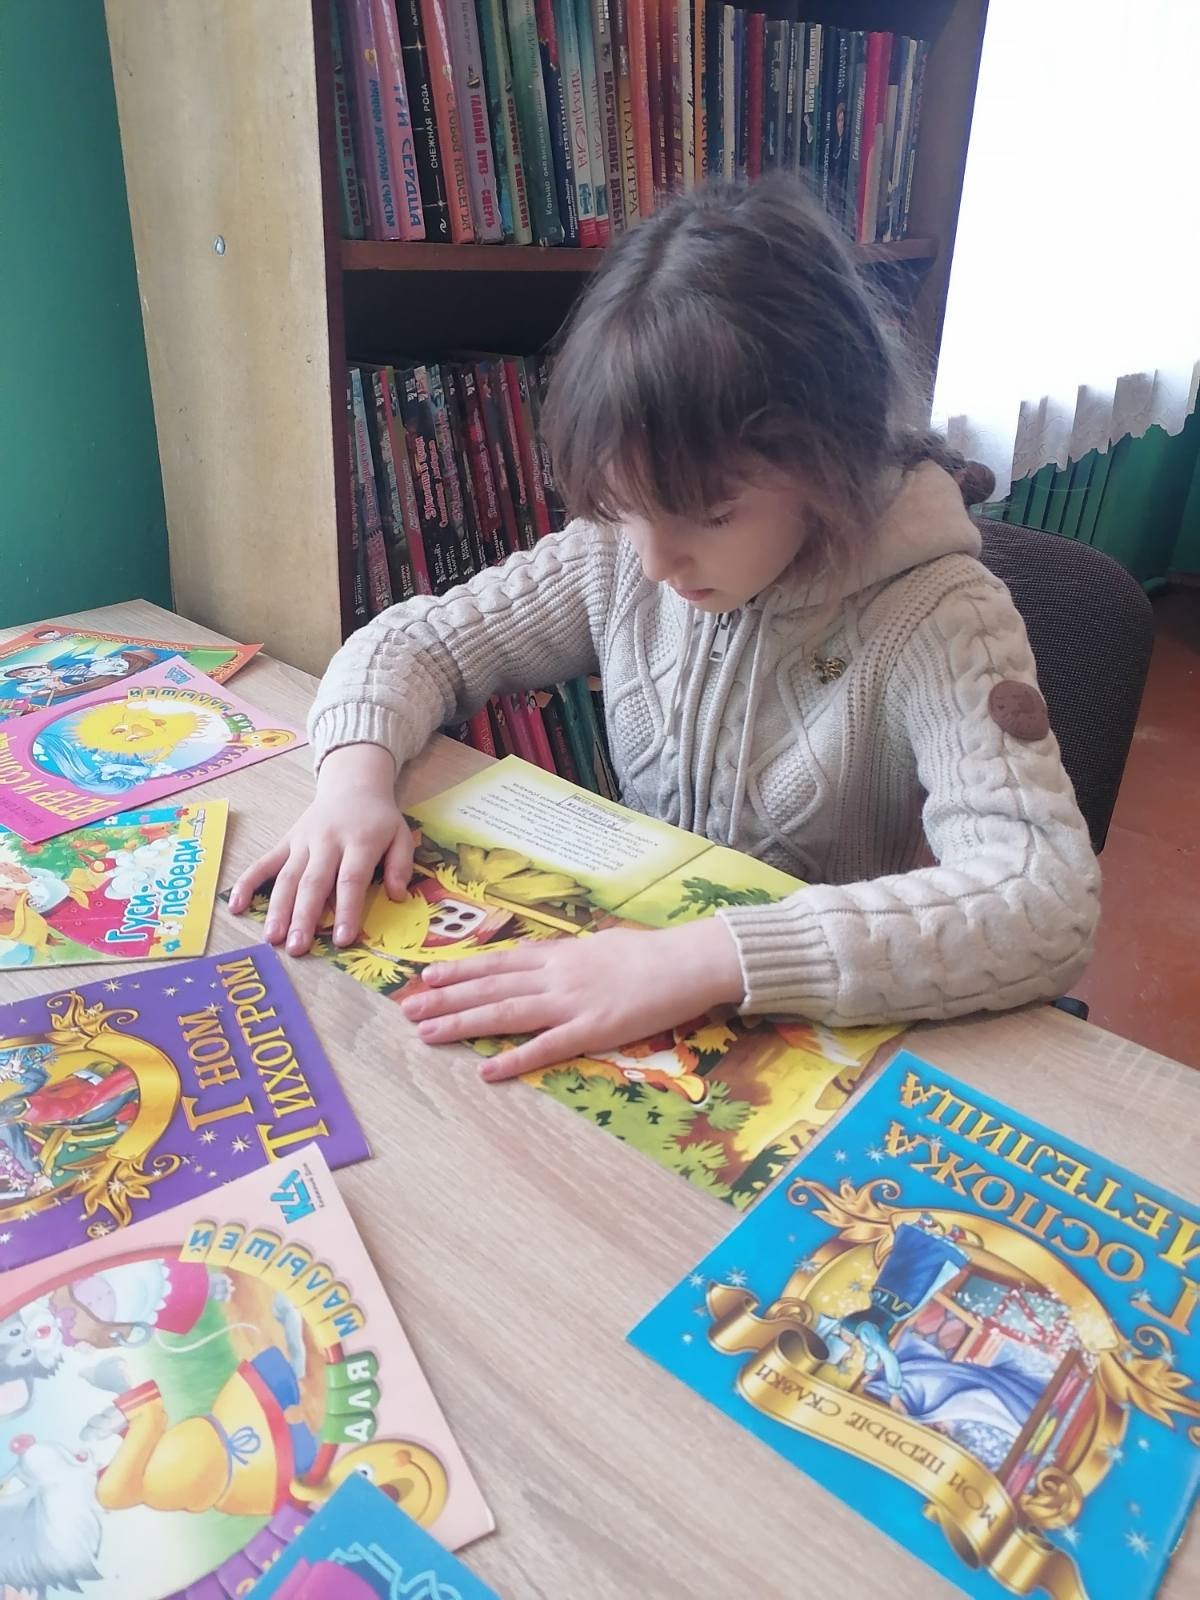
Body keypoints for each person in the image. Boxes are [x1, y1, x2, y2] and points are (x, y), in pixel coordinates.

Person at [230, 176, 1099, 1081]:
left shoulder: (945, 614)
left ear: (830, 460)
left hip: (804, 1029)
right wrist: (352, 784)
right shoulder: (618, 554)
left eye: (709, 516)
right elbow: (414, 643)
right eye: (626, 506)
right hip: (629, 976)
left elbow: (1043, 899)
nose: (653, 562)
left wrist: (705, 958)